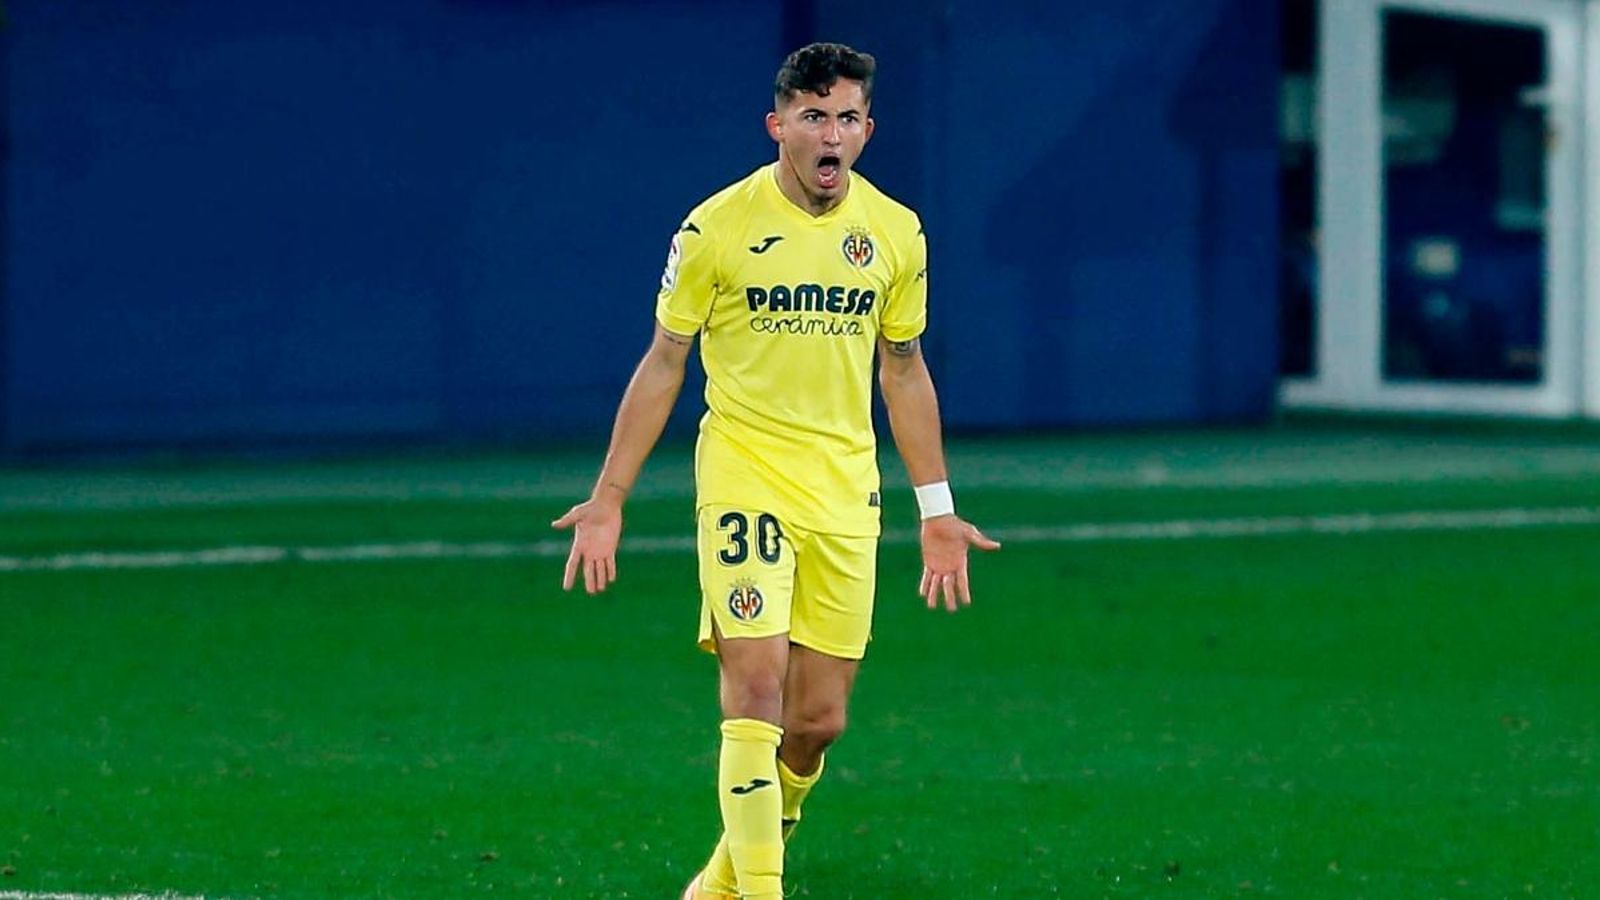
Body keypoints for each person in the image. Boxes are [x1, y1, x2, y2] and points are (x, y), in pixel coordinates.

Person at [552, 41, 999, 900]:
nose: (831, 135)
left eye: (847, 118)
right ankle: (762, 891)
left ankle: (721, 881)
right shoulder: (715, 226)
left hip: (843, 487)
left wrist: (936, 508)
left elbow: (902, 370)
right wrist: (610, 496)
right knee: (754, 682)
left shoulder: (895, 233)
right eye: (813, 117)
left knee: (818, 722)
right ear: (778, 126)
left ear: (868, 129)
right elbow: (664, 361)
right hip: (745, 475)